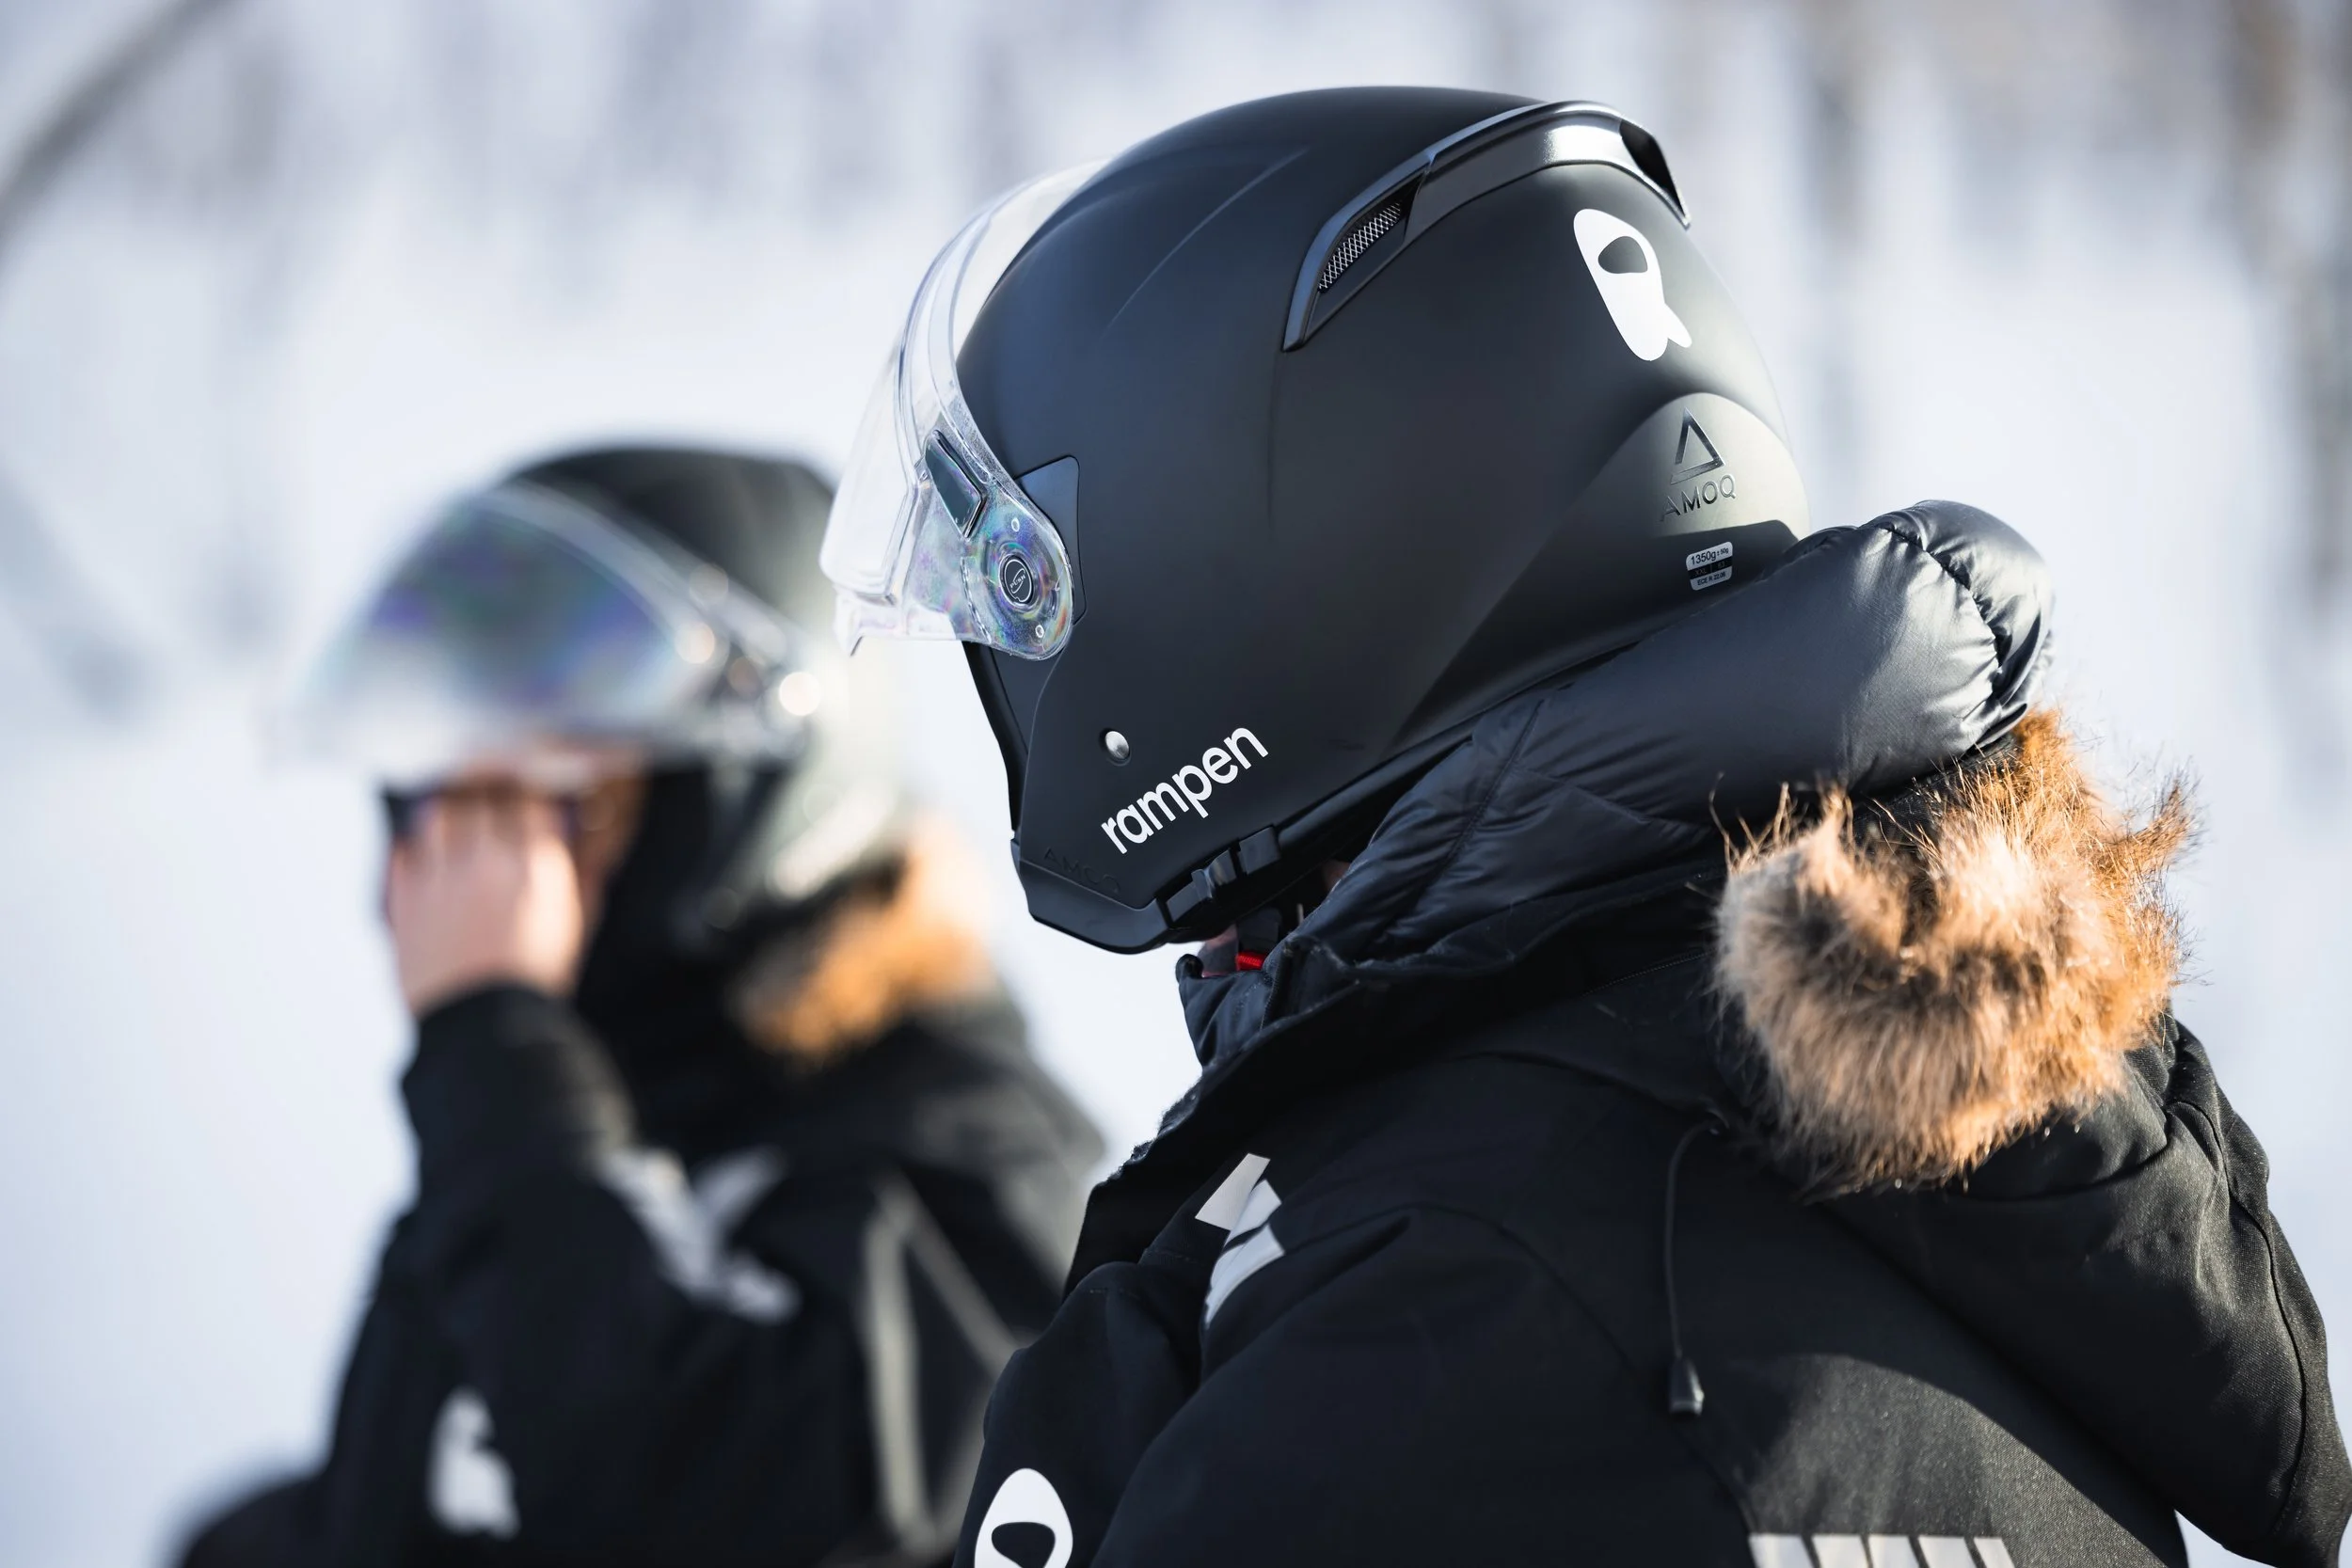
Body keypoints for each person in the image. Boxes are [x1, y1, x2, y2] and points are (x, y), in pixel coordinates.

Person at [817, 88, 2350, 1567]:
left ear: (1284, 557)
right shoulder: (1974, 1200)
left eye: (1035, 585)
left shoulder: (1437, 1331)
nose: (1026, 656)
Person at [180, 447, 1102, 1567]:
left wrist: (496, 1050)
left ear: (737, 799)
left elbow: (726, 1510)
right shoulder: (581, 1092)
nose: (483, 867)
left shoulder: (974, 1158)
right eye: (455, 802)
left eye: (568, 804)